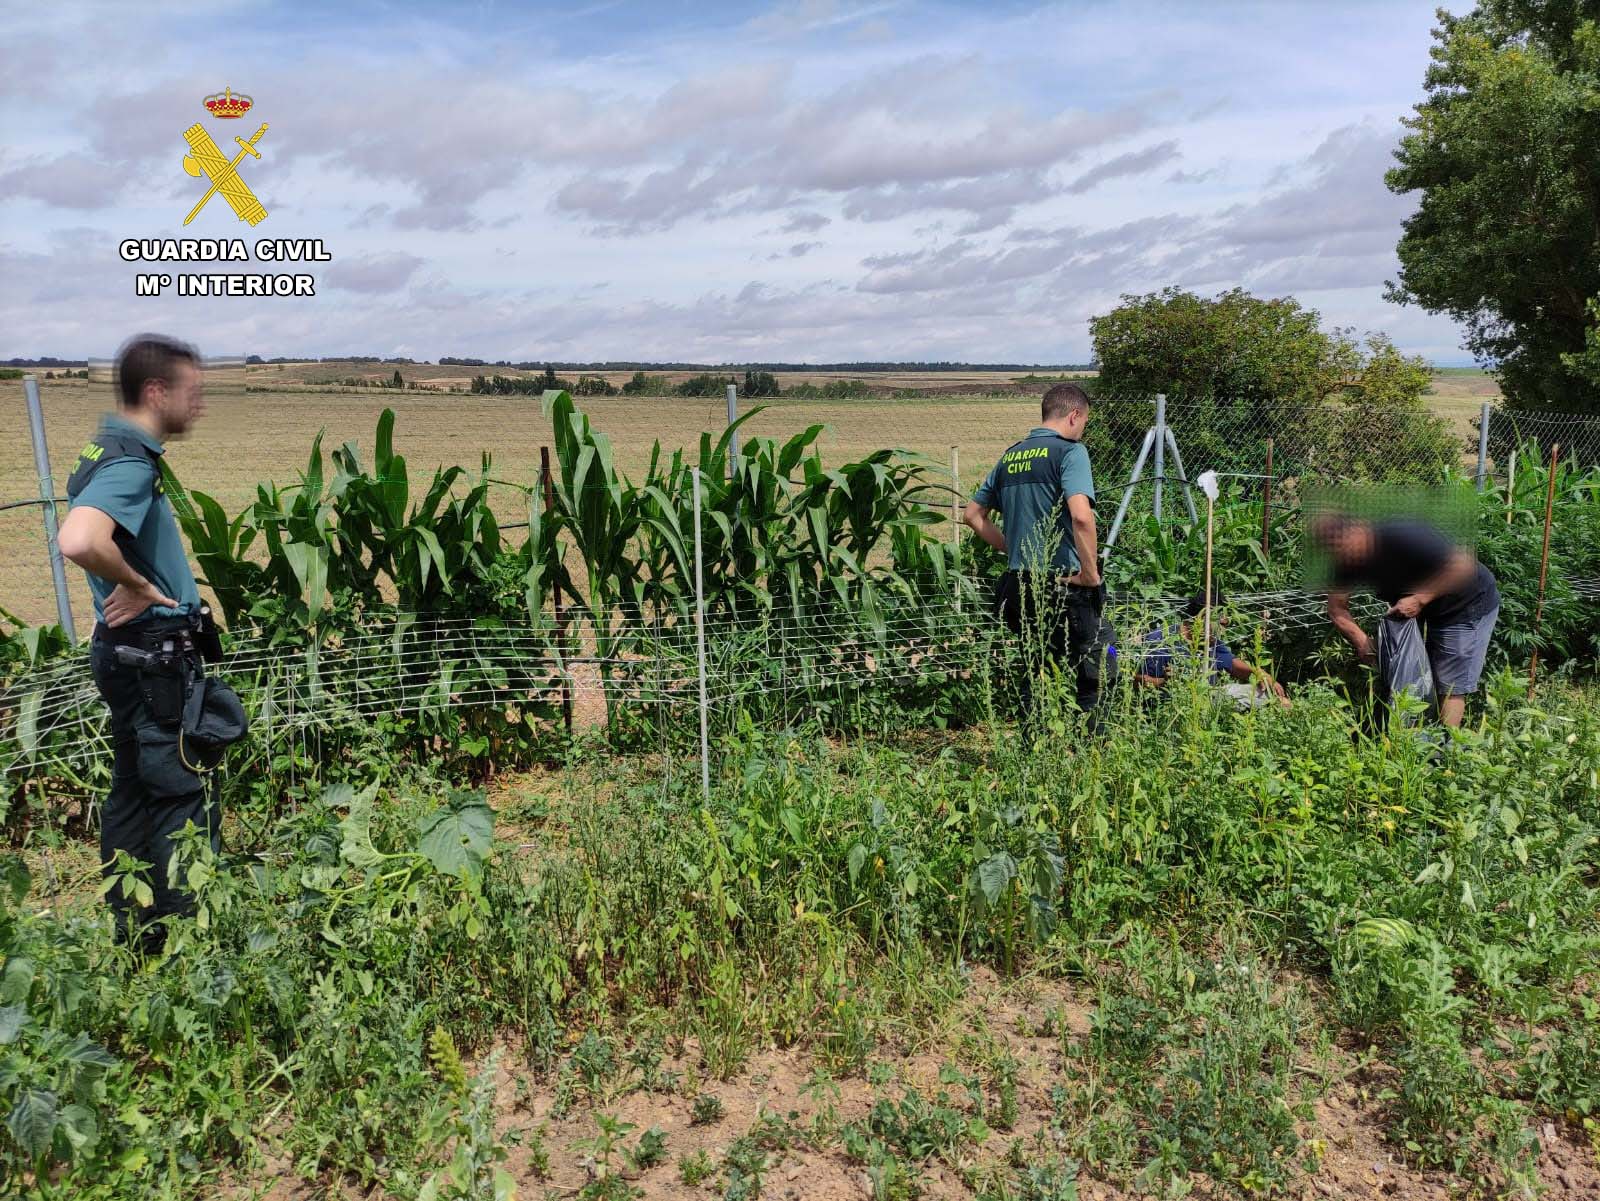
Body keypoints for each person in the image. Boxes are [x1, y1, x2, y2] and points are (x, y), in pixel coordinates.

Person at [57, 334, 214, 954]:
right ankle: (183, 948)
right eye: (192, 393)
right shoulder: (129, 462)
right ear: (156, 392)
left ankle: (134, 937)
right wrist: (141, 585)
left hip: (127, 651)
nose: (198, 406)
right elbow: (79, 539)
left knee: (131, 791)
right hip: (154, 656)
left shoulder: (105, 447)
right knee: (177, 793)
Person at [964, 382, 1114, 732]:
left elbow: (972, 516)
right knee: (1098, 663)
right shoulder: (1070, 452)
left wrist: (1013, 547)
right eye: (1085, 420)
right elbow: (1080, 516)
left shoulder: (1011, 456)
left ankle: (1035, 746)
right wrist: (1090, 576)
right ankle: (1092, 752)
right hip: (1064, 583)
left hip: (1020, 586)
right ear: (1075, 415)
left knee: (1038, 668)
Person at [1312, 513, 1500, 728]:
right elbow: (1337, 608)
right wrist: (1363, 641)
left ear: (1359, 531)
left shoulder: (1402, 534)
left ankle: (1447, 751)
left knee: (1448, 682)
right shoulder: (1344, 559)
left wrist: (1420, 598)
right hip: (1420, 608)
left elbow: (1463, 565)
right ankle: (1410, 738)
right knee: (1410, 672)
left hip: (1465, 602)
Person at [1134, 590, 1290, 709]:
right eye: (1220, 622)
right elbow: (1136, 680)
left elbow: (1235, 666)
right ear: (1202, 617)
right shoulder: (1161, 639)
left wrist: (1261, 674)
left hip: (1206, 700)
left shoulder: (1211, 642)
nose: (1224, 627)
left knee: (1278, 700)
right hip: (1169, 706)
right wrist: (1164, 682)